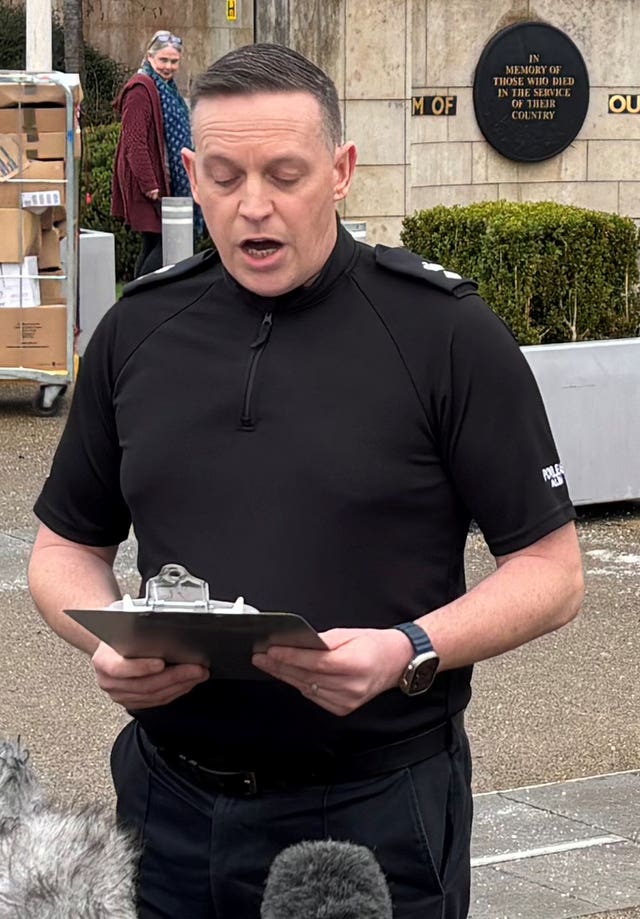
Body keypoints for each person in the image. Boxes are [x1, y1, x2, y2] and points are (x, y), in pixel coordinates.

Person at [28, 43, 584, 919]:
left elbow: (554, 575)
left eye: (286, 174)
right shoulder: (137, 330)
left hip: (371, 816)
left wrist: (409, 648)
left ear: (341, 171)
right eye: (225, 175)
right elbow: (65, 546)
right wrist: (101, 641)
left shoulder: (446, 333)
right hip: (165, 811)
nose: (255, 205)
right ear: (189, 175)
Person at [111, 29, 202, 278]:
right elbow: (134, 141)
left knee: (153, 245)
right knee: (164, 245)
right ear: (150, 57)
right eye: (163, 60)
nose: (169, 66)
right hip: (149, 185)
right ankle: (137, 299)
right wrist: (149, 183)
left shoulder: (167, 89)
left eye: (174, 61)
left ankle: (136, 301)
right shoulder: (140, 90)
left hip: (164, 182)